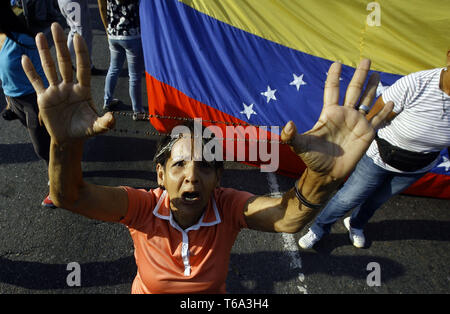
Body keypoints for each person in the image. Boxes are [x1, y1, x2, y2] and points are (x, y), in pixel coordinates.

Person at [21, 23, 392, 293]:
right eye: (179, 164)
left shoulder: (228, 208)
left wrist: (322, 178)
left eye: (204, 166)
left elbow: (289, 219)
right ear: (160, 175)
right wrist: (64, 144)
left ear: (219, 179)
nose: (192, 176)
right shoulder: (140, 207)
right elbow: (70, 197)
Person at [299, 49, 450, 250]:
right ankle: (318, 229)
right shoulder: (416, 84)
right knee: (347, 198)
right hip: (378, 158)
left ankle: (355, 224)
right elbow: (375, 118)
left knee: (375, 202)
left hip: (416, 167)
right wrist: (352, 142)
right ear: (449, 56)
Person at [0, 1, 55, 208]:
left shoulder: (23, 40)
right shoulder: (0, 37)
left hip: (33, 99)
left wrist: (45, 103)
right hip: (14, 101)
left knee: (42, 147)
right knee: (44, 140)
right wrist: (8, 100)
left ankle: (57, 185)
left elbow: (42, 71)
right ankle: (63, 165)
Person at [97, 0, 146, 121]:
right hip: (132, 35)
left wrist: (107, 29)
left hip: (113, 33)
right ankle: (138, 110)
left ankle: (107, 100)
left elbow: (101, 6)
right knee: (134, 76)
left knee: (113, 68)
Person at [57, 0, 103, 75]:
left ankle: (66, 61)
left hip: (69, 3)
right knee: (83, 33)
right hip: (73, 3)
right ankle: (85, 66)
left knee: (75, 30)